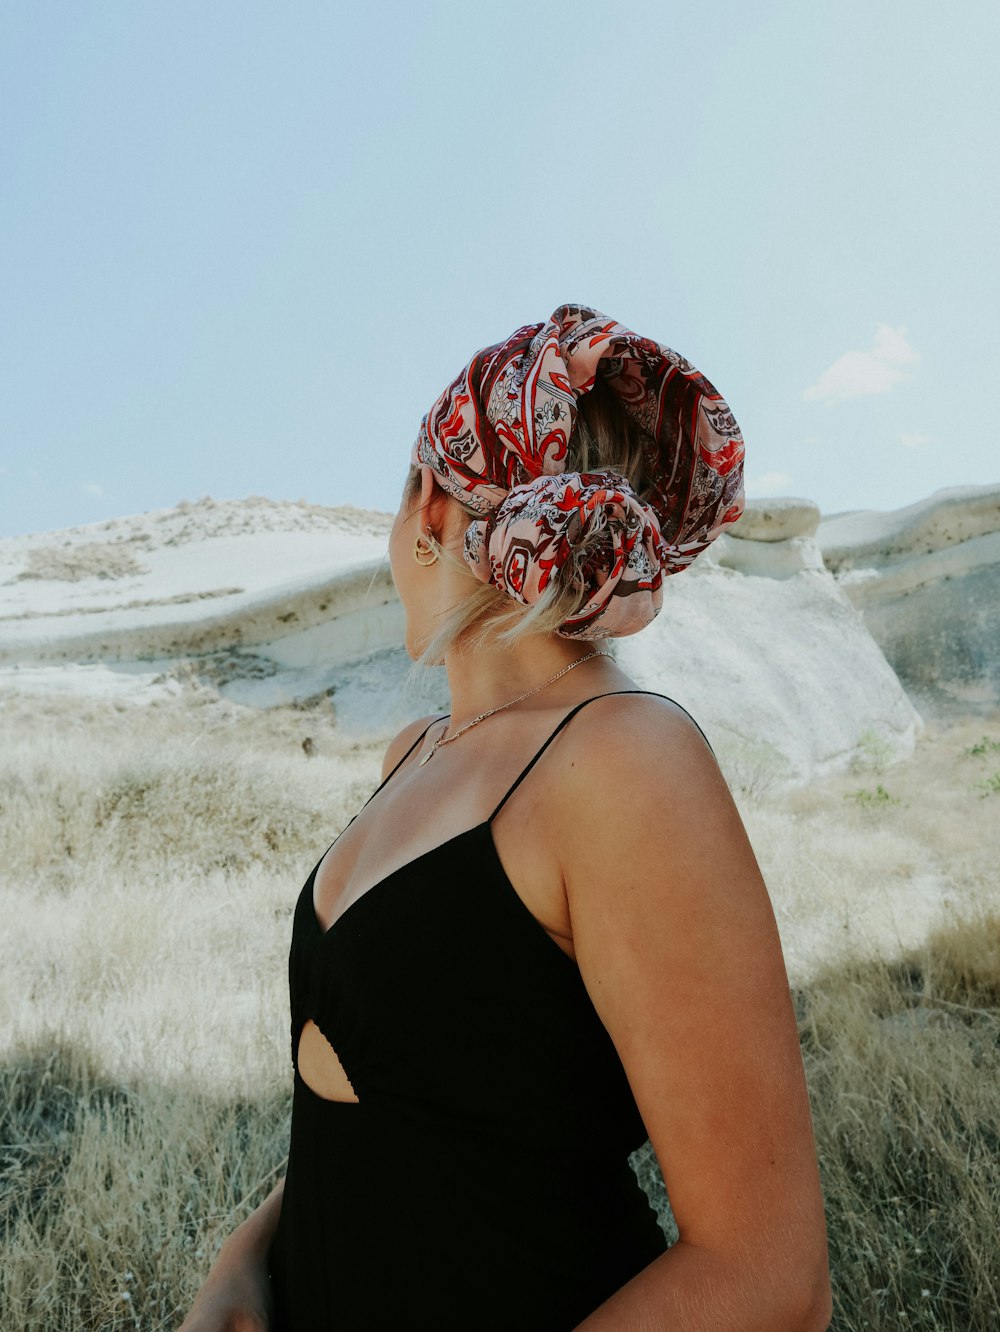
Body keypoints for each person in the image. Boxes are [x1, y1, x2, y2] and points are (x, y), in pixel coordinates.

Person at [179, 304, 832, 1331]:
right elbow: (415, 1103)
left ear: (431, 511)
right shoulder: (415, 754)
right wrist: (248, 1256)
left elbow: (766, 1275)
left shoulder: (623, 758)